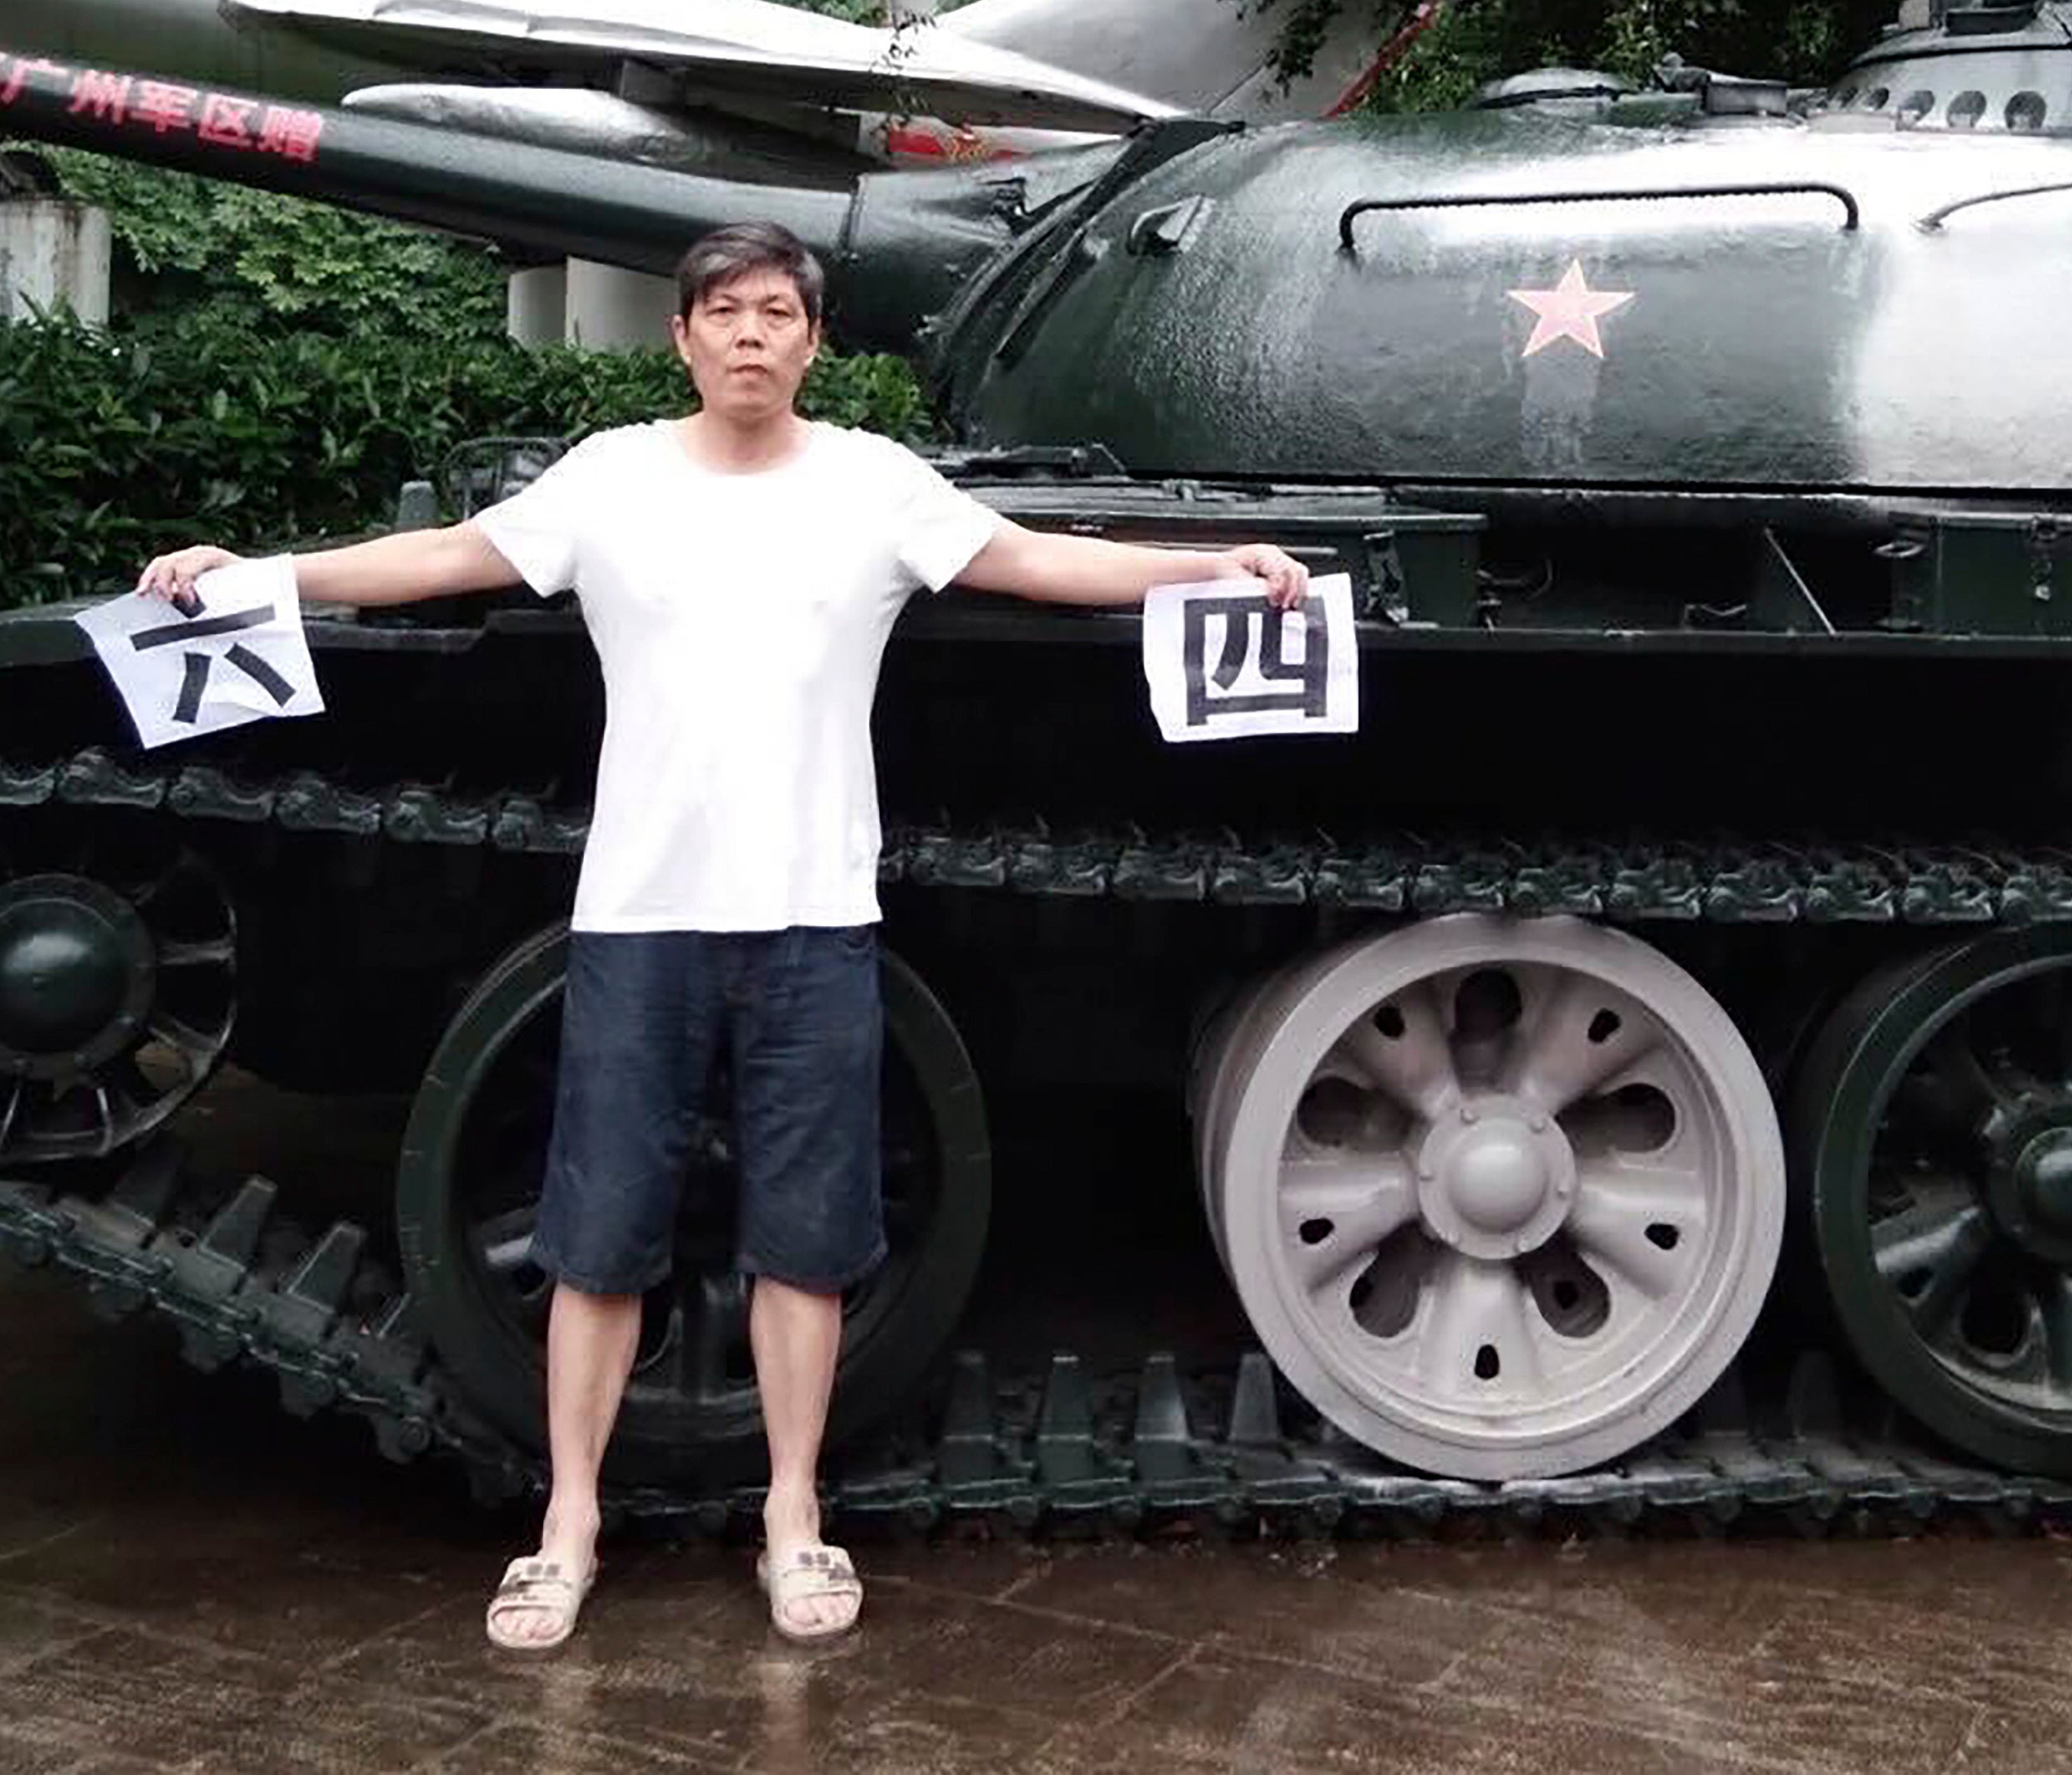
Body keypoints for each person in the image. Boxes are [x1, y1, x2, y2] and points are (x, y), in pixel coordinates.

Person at [133, 220, 1305, 1654]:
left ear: (814, 342)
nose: (751, 332)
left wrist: (1210, 567)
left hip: (817, 918)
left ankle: (793, 1513)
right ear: (682, 336)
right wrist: (262, 571)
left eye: (777, 311)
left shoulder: (877, 486)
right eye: (724, 310)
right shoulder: (612, 477)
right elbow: (444, 557)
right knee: (599, 1235)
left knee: (807, 1242)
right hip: (643, 917)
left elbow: (1037, 559)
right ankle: (566, 1521)